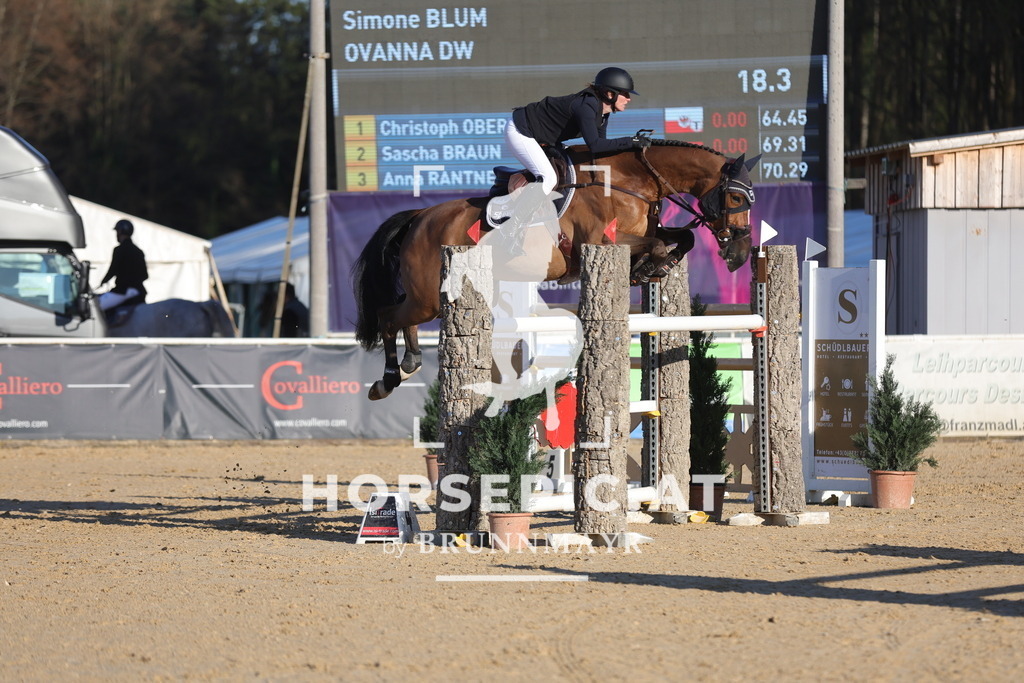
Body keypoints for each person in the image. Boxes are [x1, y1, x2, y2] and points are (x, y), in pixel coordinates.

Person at [487, 67, 650, 246]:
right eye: (625, 94)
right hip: (521, 131)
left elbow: (599, 151)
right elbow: (595, 145)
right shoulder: (586, 106)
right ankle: (511, 228)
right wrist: (631, 141)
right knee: (548, 178)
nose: (629, 98)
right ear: (610, 94)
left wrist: (631, 146)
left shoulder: (602, 114)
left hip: (543, 137)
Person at [98, 219, 148, 312]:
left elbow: (113, 270)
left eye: (117, 231)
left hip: (123, 291)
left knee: (95, 307)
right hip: (140, 291)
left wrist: (103, 281)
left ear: (120, 231)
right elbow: (145, 275)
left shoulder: (119, 250)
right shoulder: (139, 251)